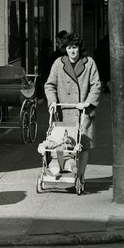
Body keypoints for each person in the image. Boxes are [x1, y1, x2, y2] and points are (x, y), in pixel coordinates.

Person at [43, 33, 101, 186]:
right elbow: (50, 85)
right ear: (65, 49)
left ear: (79, 48)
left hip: (83, 111)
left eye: (74, 47)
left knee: (83, 145)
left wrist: (88, 103)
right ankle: (64, 171)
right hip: (63, 112)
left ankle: (80, 177)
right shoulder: (58, 63)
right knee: (62, 144)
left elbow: (96, 85)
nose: (72, 51)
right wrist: (52, 102)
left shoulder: (89, 63)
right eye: (69, 48)